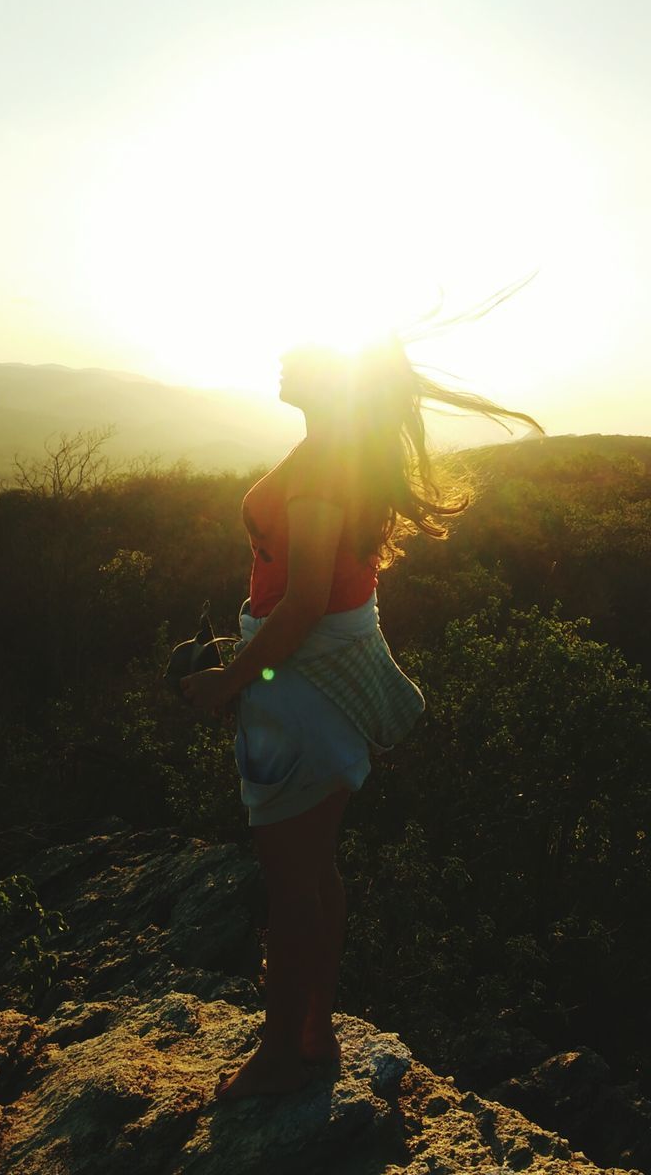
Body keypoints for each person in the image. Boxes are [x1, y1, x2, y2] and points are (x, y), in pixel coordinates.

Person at [180, 326, 544, 1102]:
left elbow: (307, 602)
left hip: (298, 696)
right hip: (314, 688)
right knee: (317, 874)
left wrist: (234, 677)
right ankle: (313, 1032)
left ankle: (284, 1054)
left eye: (304, 352)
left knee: (290, 886)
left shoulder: (321, 471)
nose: (283, 354)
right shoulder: (338, 454)